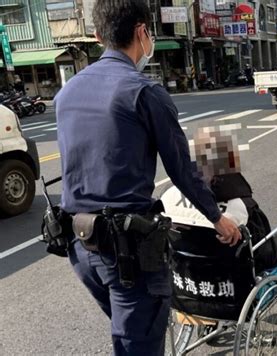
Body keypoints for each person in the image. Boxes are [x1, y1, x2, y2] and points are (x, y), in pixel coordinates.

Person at [54, 1, 240, 355]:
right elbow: (182, 170)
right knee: (137, 345)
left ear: (97, 35)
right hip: (127, 254)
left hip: (79, 245)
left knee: (128, 336)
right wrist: (219, 220)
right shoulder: (144, 92)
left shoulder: (67, 93)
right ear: (142, 32)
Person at [161, 126, 277, 272]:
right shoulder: (242, 206)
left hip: (186, 271)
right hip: (231, 278)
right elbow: (266, 254)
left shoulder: (168, 193)